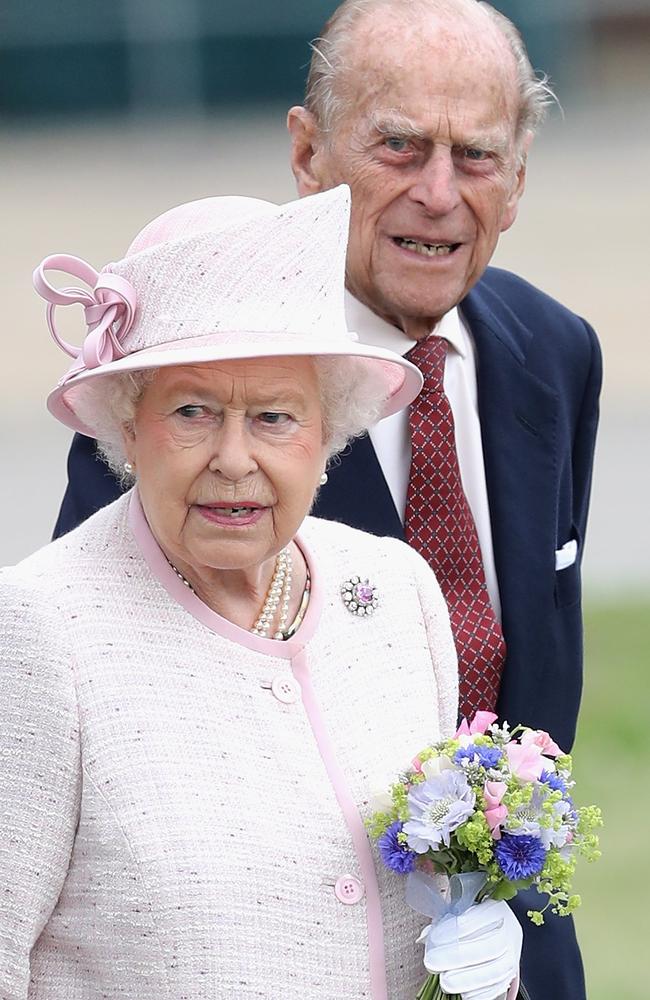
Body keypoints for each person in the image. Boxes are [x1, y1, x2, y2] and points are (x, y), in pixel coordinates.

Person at [50, 2, 600, 997]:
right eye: (396, 145)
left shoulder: (552, 355)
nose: (436, 193)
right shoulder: (187, 383)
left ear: (515, 181)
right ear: (306, 154)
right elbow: (108, 738)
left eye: (474, 156)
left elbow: (533, 698)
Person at [1, 186, 526, 999]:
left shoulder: (395, 592)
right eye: (193, 411)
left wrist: (474, 928)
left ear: (329, 433)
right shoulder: (42, 630)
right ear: (128, 428)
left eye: (276, 416)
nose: (235, 458)